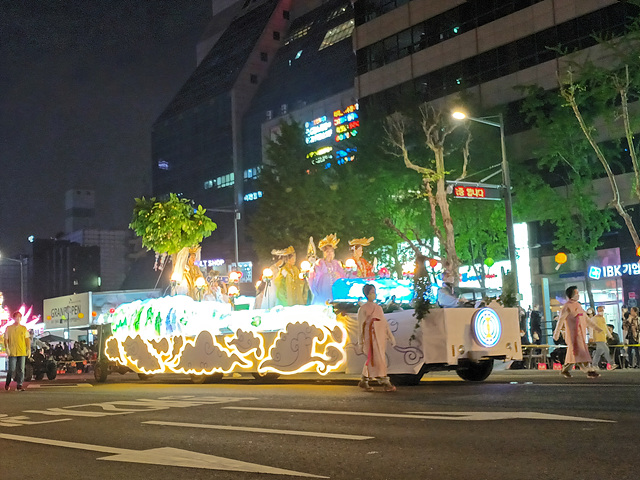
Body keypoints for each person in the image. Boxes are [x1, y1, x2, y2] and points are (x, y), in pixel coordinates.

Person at [553, 286, 603, 379]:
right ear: (571, 294)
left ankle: (565, 370)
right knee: (581, 352)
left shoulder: (578, 306)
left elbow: (586, 319)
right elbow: (560, 320)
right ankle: (589, 370)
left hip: (581, 334)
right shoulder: (567, 307)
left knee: (574, 353)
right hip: (573, 335)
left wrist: (597, 328)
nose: (578, 295)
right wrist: (556, 333)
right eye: (576, 293)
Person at [357, 284, 396, 392]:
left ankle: (364, 380)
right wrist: (360, 342)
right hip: (370, 337)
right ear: (367, 294)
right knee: (377, 359)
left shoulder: (378, 308)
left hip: (380, 336)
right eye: (371, 292)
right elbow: (360, 326)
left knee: (375, 359)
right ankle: (384, 381)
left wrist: (390, 336)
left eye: (374, 292)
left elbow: (384, 323)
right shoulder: (363, 309)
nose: (373, 295)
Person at [309, 234, 345, 304]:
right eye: (327, 251)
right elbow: (314, 276)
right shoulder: (320, 262)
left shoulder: (336, 263)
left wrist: (338, 275)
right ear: (324, 253)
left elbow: (343, 275)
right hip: (323, 288)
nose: (329, 253)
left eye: (331, 251)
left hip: (334, 289)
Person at [4, 311, 31, 391]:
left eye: (19, 317)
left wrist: (28, 349)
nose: (18, 318)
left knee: (21, 369)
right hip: (12, 352)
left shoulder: (24, 328)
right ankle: (7, 383)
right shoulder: (9, 328)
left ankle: (19, 385)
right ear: (13, 318)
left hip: (22, 351)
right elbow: (6, 339)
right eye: (16, 317)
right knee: (11, 369)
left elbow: (27, 340)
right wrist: (7, 348)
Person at [590, 306, 617, 370]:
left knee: (598, 352)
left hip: (603, 338)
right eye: (600, 310)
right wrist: (591, 337)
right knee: (606, 350)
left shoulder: (603, 318)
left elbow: (605, 328)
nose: (602, 311)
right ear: (597, 311)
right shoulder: (594, 318)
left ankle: (594, 365)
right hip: (597, 338)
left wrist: (610, 336)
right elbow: (591, 328)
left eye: (602, 310)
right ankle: (612, 364)